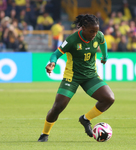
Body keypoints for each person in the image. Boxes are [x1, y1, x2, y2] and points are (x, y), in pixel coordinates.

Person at [38, 14, 115, 142]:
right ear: (83, 28)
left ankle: (85, 119)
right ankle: (44, 134)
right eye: (91, 31)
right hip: (72, 77)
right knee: (58, 106)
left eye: (96, 31)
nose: (94, 34)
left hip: (90, 76)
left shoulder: (98, 35)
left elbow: (103, 42)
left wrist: (105, 56)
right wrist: (52, 63)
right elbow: (55, 54)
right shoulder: (72, 40)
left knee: (109, 98)